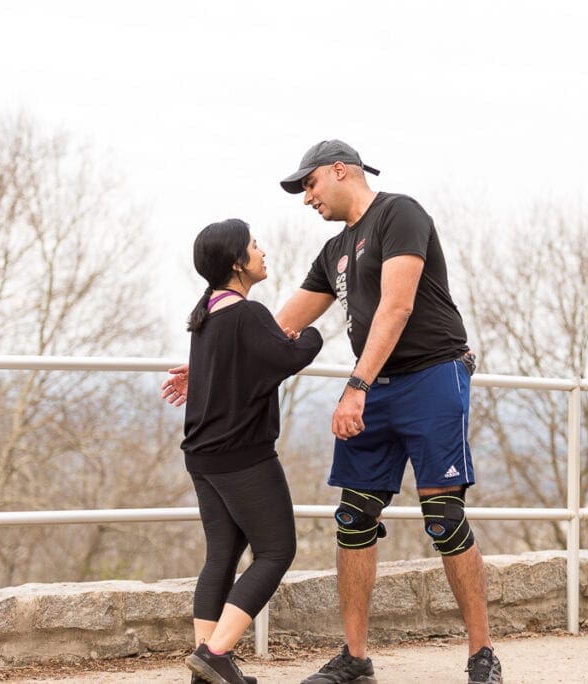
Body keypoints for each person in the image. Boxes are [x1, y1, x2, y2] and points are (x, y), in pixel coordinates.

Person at [273, 140, 502, 684]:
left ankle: (482, 655)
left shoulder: (400, 213)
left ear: (339, 171)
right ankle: (355, 659)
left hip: (430, 376)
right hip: (374, 386)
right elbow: (282, 326)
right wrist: (209, 361)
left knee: (443, 520)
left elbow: (397, 306)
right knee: (353, 518)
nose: (307, 198)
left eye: (309, 185)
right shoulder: (334, 252)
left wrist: (356, 386)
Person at [163, 218, 323, 684]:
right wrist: (307, 335)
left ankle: (205, 669)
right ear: (237, 262)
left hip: (203, 455)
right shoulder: (248, 315)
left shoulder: (206, 314)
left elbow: (238, 365)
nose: (262, 251)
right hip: (242, 456)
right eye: (255, 246)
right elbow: (289, 357)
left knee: (223, 554)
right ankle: (215, 654)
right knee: (277, 550)